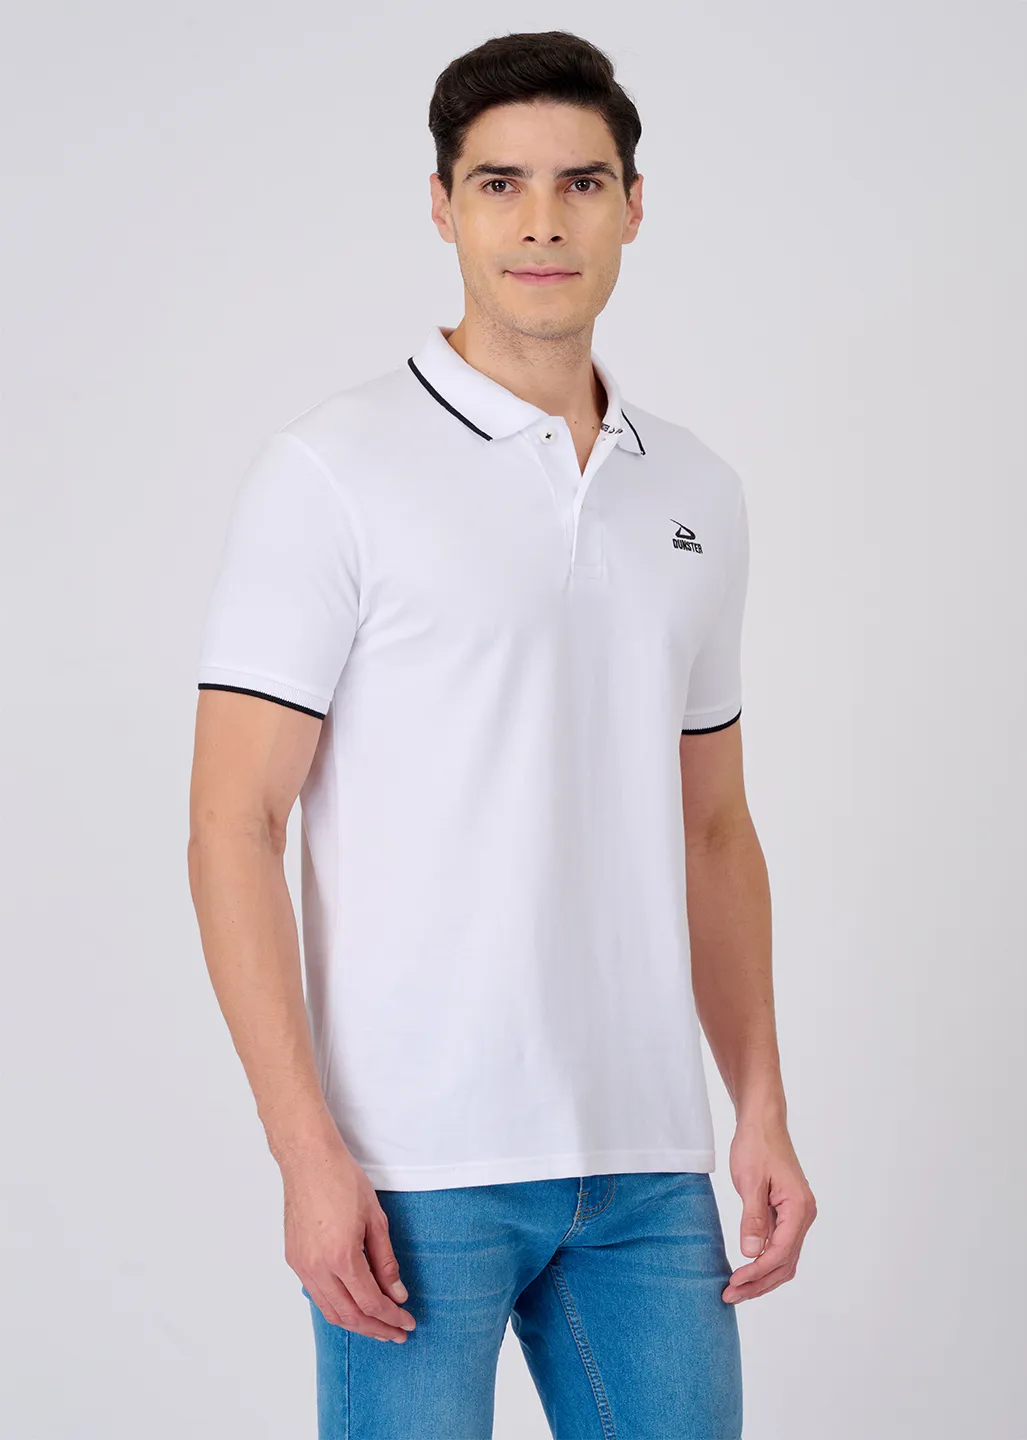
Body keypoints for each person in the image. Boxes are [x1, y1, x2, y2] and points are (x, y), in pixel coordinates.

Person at [187, 28, 816, 1440]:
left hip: (649, 1165)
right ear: (442, 205)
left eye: (581, 183)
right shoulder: (332, 471)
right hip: (410, 1170)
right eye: (500, 184)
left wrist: (760, 1104)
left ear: (633, 207)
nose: (542, 221)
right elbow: (233, 823)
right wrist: (305, 1151)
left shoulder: (697, 492)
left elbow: (715, 825)